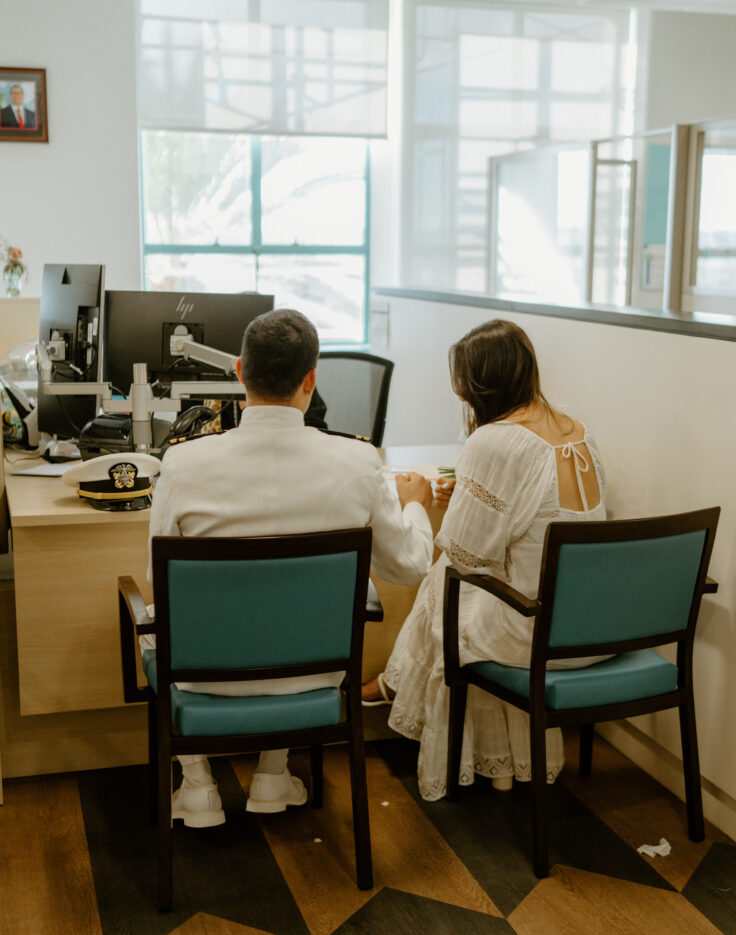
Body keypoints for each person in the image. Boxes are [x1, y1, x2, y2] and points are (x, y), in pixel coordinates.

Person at [147, 308, 434, 827]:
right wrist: (416, 504)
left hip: (204, 675)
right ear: (311, 379)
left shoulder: (183, 464)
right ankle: (273, 775)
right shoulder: (358, 463)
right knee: (292, 616)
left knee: (151, 619)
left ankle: (197, 786)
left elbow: (156, 574)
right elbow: (411, 566)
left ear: (238, 372)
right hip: (314, 675)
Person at [360, 319, 606, 800]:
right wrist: (471, 500)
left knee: (443, 578)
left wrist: (421, 501)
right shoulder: (576, 430)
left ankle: (389, 685)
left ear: (481, 385)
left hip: (533, 629)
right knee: (453, 585)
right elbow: (539, 522)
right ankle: (398, 690)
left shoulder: (495, 441)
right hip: (590, 623)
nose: (459, 397)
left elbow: (466, 554)